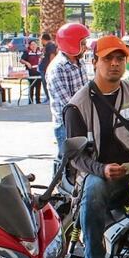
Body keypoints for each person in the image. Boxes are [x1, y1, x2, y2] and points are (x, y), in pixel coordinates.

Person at [65, 36, 129, 258]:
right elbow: (75, 157)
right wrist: (102, 169)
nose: (115, 64)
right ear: (94, 62)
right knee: (94, 190)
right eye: (108, 59)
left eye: (120, 59)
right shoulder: (77, 105)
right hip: (98, 175)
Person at [45, 23, 90, 157]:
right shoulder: (57, 68)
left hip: (83, 121)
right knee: (67, 165)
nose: (86, 47)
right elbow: (68, 103)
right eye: (82, 43)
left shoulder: (79, 62)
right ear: (71, 44)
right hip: (66, 125)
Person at [20, 39, 44, 104]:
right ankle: (30, 101)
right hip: (31, 71)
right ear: (29, 46)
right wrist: (27, 63)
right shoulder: (27, 52)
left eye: (34, 44)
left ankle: (38, 100)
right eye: (31, 44)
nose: (33, 46)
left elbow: (42, 58)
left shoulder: (39, 51)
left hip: (38, 71)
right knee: (31, 86)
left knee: (38, 86)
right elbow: (21, 60)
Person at [39, 32, 58, 102]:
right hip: (44, 68)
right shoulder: (47, 46)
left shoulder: (50, 46)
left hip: (46, 69)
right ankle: (48, 97)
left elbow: (52, 56)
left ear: (43, 39)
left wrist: (49, 68)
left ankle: (49, 97)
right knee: (45, 84)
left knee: (46, 84)